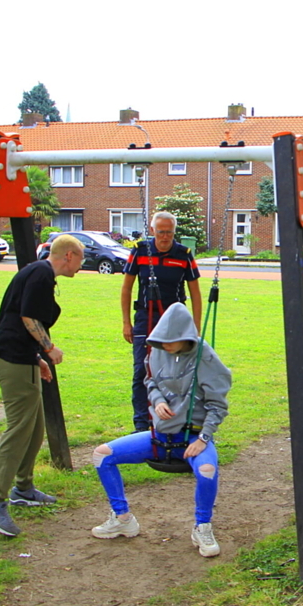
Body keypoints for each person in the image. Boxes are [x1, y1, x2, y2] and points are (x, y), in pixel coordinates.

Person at [90, 302, 231, 557]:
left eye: (171, 340)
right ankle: (122, 519)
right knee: (102, 454)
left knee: (208, 470)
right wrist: (158, 400)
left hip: (193, 438)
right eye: (161, 339)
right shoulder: (155, 352)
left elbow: (218, 405)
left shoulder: (206, 358)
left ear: (185, 337)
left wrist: (204, 438)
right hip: (159, 437)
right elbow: (150, 380)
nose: (165, 344)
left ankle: (202, 527)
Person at [0, 234, 85, 537]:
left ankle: (23, 488)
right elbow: (27, 317)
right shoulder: (40, 273)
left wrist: (37, 359)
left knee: (35, 427)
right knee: (20, 428)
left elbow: (18, 317)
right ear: (69, 256)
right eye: (81, 258)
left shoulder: (39, 274)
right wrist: (49, 349)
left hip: (22, 359)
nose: (81, 265)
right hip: (10, 360)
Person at [121, 211, 202, 433]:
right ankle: (141, 423)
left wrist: (195, 326)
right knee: (141, 369)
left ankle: (173, 419)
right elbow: (126, 288)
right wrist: (126, 322)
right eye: (161, 232)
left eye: (169, 232)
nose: (165, 237)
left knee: (175, 370)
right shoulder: (139, 251)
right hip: (146, 317)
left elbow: (195, 293)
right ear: (152, 230)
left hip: (175, 321)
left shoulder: (183, 254)